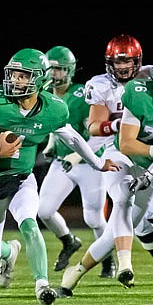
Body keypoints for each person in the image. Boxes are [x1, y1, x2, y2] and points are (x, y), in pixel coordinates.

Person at [0, 48, 119, 305]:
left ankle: (42, 285)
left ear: (40, 79)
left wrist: (97, 162)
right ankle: (9, 253)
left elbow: (72, 138)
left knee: (30, 223)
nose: (16, 81)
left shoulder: (52, 110)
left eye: (23, 76)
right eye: (13, 74)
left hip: (22, 179)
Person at [58, 52, 153, 296]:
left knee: (122, 229)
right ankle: (125, 263)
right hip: (121, 155)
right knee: (122, 200)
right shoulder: (139, 94)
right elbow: (127, 143)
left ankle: (74, 273)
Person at [81, 35, 153, 288]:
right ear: (110, 63)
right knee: (131, 215)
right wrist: (117, 125)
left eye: (128, 60)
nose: (123, 66)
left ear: (138, 61)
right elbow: (93, 127)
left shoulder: (152, 76)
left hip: (148, 148)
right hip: (116, 150)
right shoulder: (100, 85)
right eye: (118, 61)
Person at [37, 45, 110, 276]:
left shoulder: (83, 94)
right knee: (44, 210)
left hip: (89, 164)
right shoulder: (45, 95)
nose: (53, 74)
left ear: (70, 70)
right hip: (62, 162)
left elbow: (93, 130)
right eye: (50, 69)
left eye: (58, 69)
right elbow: (54, 124)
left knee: (94, 219)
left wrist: (78, 153)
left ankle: (107, 259)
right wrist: (51, 146)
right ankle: (69, 241)